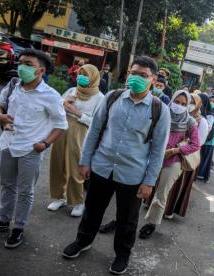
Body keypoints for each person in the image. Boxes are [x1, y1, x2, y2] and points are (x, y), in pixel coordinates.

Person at [62, 56, 170, 275]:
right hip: (102, 166)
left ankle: (122, 254)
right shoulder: (112, 97)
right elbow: (95, 130)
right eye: (134, 73)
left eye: (143, 75)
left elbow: (158, 150)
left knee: (127, 220)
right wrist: (86, 160)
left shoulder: (160, 110)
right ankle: (83, 241)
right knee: (92, 210)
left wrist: (149, 181)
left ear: (153, 79)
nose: (136, 78)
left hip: (132, 174)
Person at [0, 49, 68, 248]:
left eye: (28, 64)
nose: (22, 67)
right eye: (21, 62)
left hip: (31, 150)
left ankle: (18, 227)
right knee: (7, 186)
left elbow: (61, 124)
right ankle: (3, 221)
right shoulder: (13, 85)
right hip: (8, 144)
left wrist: (45, 144)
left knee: (26, 192)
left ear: (40, 70)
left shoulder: (51, 96)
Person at [139, 90, 200, 239]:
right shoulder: (161, 114)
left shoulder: (190, 122)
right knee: (138, 187)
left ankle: (151, 224)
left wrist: (175, 150)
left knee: (161, 194)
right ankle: (124, 219)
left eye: (184, 104)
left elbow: (195, 145)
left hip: (173, 162)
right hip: (152, 157)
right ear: (172, 100)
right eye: (177, 102)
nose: (179, 106)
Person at [48, 64, 105, 217]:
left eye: (86, 75)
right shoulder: (72, 90)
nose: (82, 77)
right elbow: (55, 105)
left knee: (75, 168)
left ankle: (78, 202)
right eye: (80, 74)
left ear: (93, 77)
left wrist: (77, 113)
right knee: (58, 163)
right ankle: (60, 197)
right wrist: (64, 102)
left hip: (80, 131)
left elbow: (98, 123)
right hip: (62, 128)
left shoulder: (100, 98)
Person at [163, 93, 209, 218]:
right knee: (163, 186)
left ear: (199, 105)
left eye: (190, 103)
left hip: (185, 158)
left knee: (177, 188)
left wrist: (180, 145)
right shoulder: (169, 114)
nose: (188, 106)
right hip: (169, 155)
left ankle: (168, 211)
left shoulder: (200, 121)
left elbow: (199, 142)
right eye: (189, 102)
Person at [197, 95, 214, 183]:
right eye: (210, 101)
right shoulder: (203, 110)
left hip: (210, 140)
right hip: (202, 138)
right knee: (199, 158)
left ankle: (203, 176)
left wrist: (211, 120)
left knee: (207, 159)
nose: (212, 103)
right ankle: (197, 174)